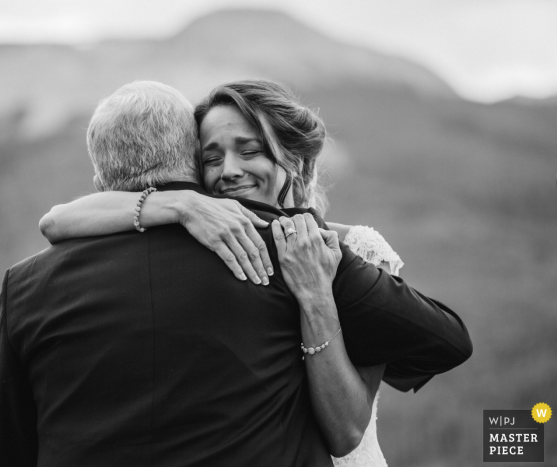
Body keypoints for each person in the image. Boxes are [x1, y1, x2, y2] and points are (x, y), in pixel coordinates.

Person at [39, 80, 472, 466]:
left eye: (250, 151)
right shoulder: (200, 233)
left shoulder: (340, 253)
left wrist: (317, 294)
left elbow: (348, 434)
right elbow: (56, 220)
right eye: (211, 158)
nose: (229, 170)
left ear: (295, 163)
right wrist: (182, 204)